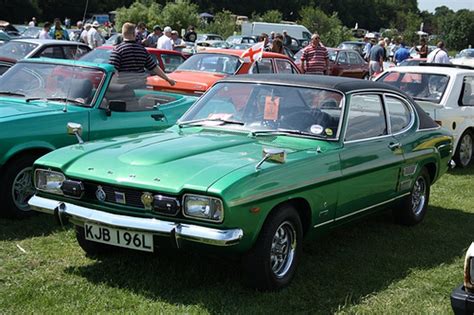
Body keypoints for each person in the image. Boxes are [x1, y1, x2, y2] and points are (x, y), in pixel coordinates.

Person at [109, 22, 175, 89]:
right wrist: (167, 79)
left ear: (122, 34)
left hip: (124, 89)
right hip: (140, 87)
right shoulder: (142, 50)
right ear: (134, 34)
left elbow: (111, 70)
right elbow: (154, 67)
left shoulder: (118, 50)